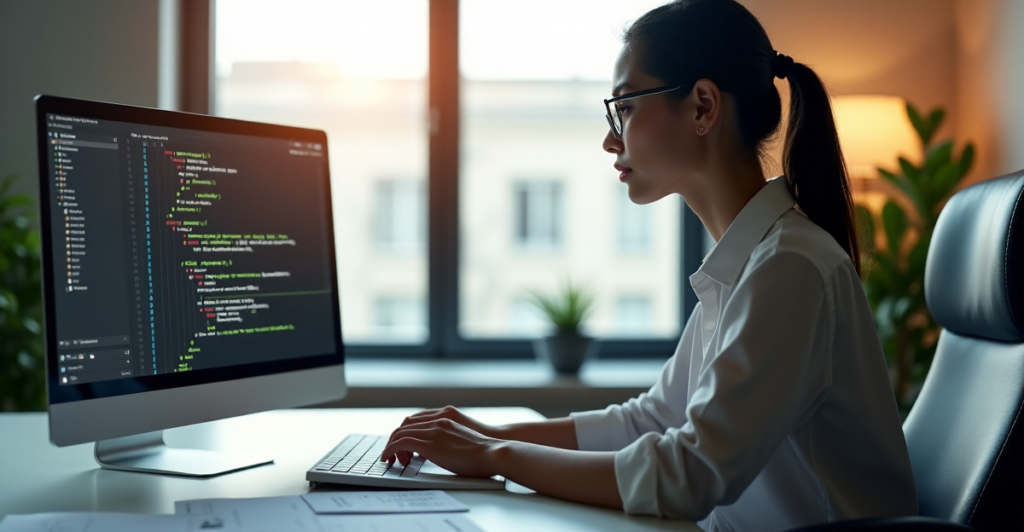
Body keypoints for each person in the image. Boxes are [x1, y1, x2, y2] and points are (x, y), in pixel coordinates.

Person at [380, 0, 917, 529]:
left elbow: (689, 475)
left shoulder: (790, 268)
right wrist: (492, 434)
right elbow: (653, 420)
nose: (612, 138)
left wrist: (494, 458)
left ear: (704, 106)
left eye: (626, 107)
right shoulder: (749, 261)